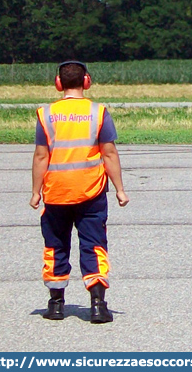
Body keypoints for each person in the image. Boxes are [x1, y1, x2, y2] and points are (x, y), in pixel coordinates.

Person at [31, 60, 129, 323]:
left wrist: (35, 192)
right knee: (94, 245)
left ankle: (56, 305)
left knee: (55, 245)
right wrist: (120, 189)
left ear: (58, 83)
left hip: (56, 193)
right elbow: (109, 153)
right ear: (87, 82)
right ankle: (97, 305)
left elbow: (41, 156)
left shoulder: (46, 114)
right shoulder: (98, 112)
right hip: (91, 192)